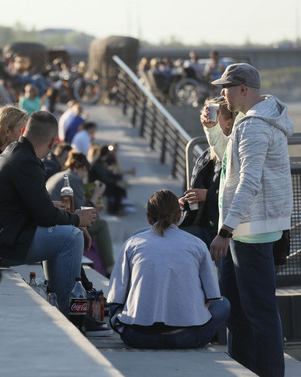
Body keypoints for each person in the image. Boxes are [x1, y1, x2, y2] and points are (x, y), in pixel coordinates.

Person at [0, 111, 98, 315]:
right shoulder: (26, 161)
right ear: (53, 143)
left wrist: (62, 216)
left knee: (64, 233)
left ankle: (59, 302)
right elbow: (44, 216)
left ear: (24, 132)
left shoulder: (16, 152)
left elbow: (38, 209)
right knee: (71, 237)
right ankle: (70, 311)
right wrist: (77, 219)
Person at [204, 63, 293, 377]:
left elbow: (249, 182)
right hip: (246, 228)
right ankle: (243, 369)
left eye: (226, 87)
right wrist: (214, 129)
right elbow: (230, 161)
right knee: (236, 311)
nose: (222, 94)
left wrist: (225, 230)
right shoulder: (249, 121)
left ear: (243, 89)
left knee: (259, 313)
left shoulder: (255, 125)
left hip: (249, 230)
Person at [107, 189, 230, 349]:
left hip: (138, 336)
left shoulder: (132, 243)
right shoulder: (197, 244)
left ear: (148, 217)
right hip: (186, 337)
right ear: (179, 216)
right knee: (224, 304)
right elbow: (213, 297)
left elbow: (115, 298)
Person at [46, 151, 115, 276]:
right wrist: (96, 196)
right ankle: (110, 267)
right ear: (84, 167)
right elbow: (83, 213)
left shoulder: (61, 175)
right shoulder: (73, 178)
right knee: (102, 224)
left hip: (53, 219)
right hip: (61, 223)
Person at [179, 96, 234, 247]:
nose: (208, 121)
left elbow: (240, 196)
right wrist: (184, 201)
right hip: (206, 227)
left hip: (224, 231)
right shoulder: (205, 156)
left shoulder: (233, 153)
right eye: (206, 114)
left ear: (229, 124)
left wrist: (207, 195)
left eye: (213, 115)